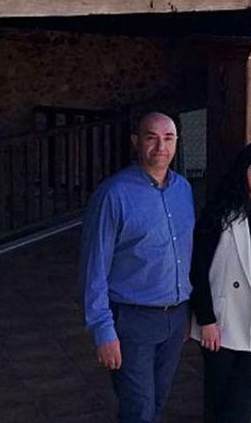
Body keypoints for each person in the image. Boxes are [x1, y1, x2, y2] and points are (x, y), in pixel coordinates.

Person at [79, 112, 195, 423]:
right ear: (135, 142)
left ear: (176, 143)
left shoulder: (183, 189)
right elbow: (94, 268)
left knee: (157, 401)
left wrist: (189, 311)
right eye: (151, 137)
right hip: (132, 321)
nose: (161, 146)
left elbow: (186, 253)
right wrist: (103, 330)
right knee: (138, 409)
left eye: (168, 138)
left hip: (175, 317)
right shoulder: (112, 195)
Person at [189, 141, 251, 423]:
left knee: (244, 395)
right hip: (223, 320)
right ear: (243, 170)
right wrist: (206, 319)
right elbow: (198, 269)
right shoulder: (219, 212)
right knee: (219, 398)